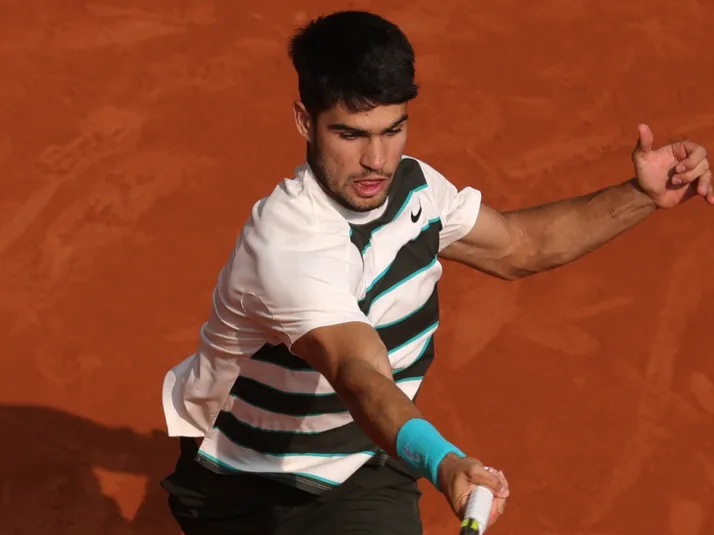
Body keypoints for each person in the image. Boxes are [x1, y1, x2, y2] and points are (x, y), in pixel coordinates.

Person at [159, 9, 712, 535]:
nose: (377, 160)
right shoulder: (288, 245)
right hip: (243, 482)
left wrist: (642, 195)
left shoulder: (416, 190)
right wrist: (445, 463)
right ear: (306, 121)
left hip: (365, 463)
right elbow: (359, 373)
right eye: (351, 134)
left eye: (393, 129)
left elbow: (519, 246)